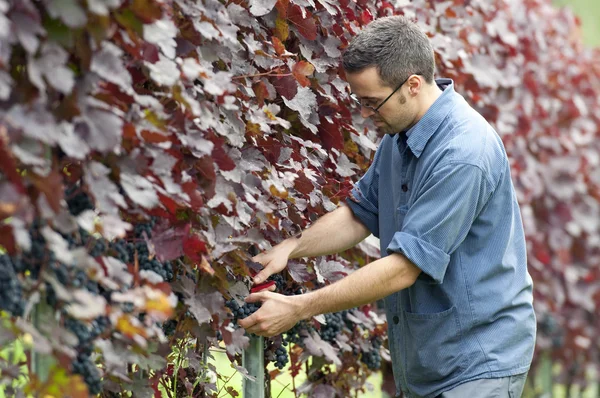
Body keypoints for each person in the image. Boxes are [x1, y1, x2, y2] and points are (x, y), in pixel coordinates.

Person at [238, 15, 536, 398]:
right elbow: (360, 214)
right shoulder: (400, 137)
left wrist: (298, 307)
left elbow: (402, 269)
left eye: (372, 102)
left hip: (477, 361)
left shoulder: (464, 152)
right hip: (430, 359)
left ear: (412, 85)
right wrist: (292, 248)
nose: (365, 113)